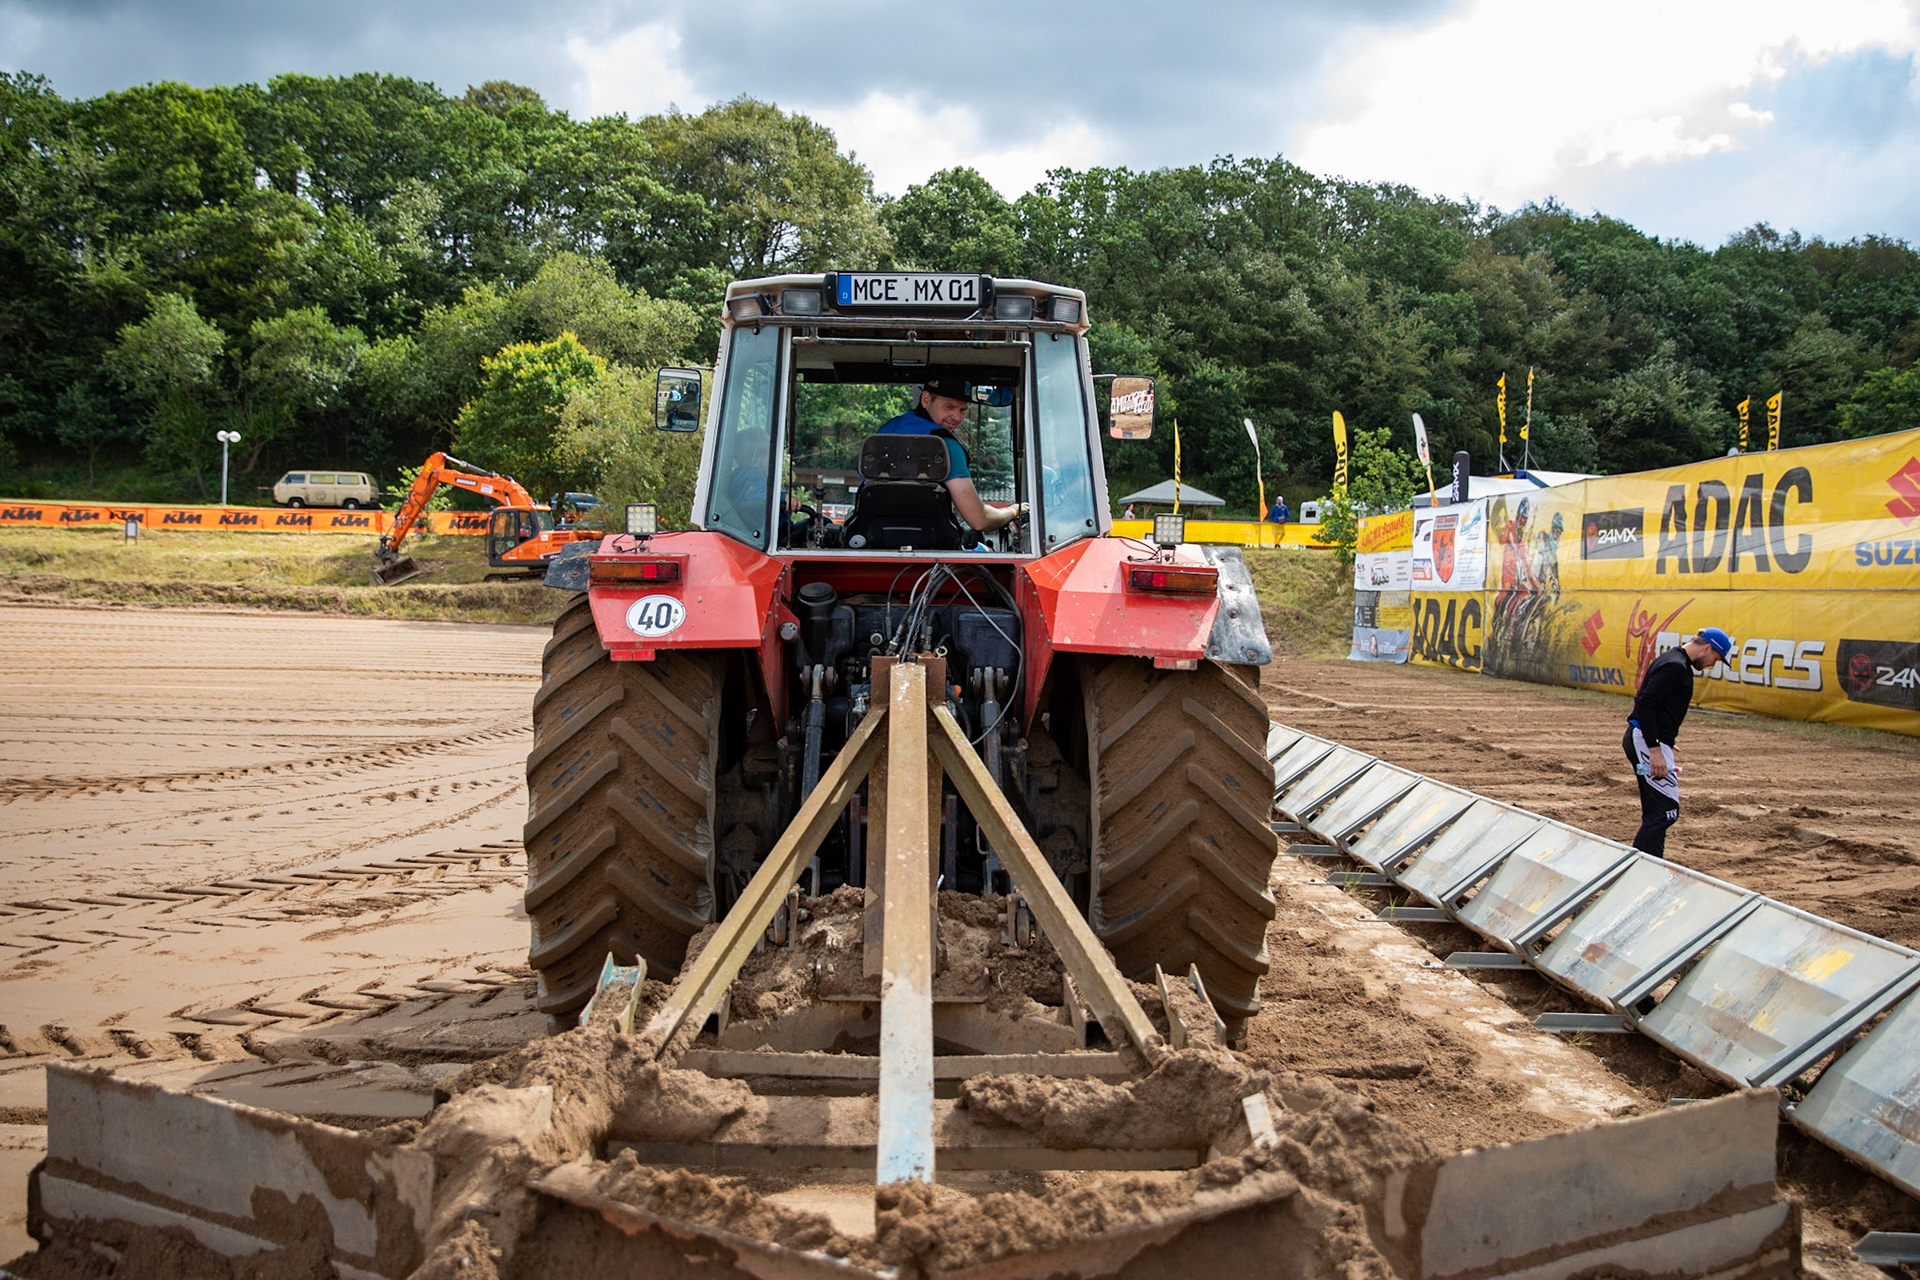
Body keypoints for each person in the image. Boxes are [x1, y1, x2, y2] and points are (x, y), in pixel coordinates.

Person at [1622, 627, 1733, 859]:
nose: (1713, 664)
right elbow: (1645, 704)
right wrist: (1654, 749)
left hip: (1649, 740)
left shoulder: (1674, 660)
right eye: (1716, 658)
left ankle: (1650, 865)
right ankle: (1636, 867)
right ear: (1707, 648)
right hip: (1646, 742)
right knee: (1665, 812)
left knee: (1657, 812)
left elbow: (1653, 703)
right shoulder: (1675, 666)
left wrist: (1665, 739)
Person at [878, 373, 1024, 533]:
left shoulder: (887, 430)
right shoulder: (944, 445)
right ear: (926, 400)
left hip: (873, 536)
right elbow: (979, 520)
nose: (956, 417)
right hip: (930, 545)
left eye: (962, 410)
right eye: (949, 407)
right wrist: (1013, 510)